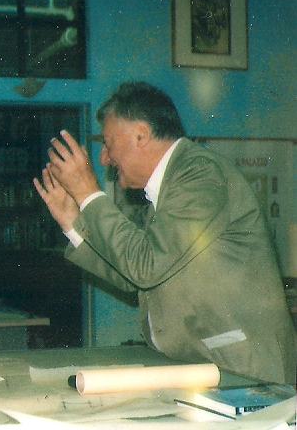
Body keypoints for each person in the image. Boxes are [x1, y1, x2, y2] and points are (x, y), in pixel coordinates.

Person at [34, 81, 296, 385]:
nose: (104, 158)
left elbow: (145, 267)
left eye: (107, 143)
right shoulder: (171, 185)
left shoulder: (200, 173)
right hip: (210, 363)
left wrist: (88, 193)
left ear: (141, 135)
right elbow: (134, 275)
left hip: (246, 368)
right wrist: (71, 221)